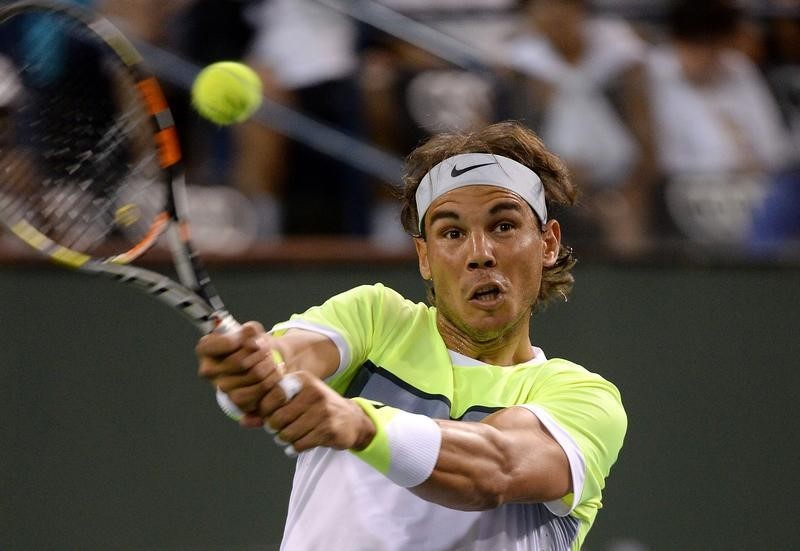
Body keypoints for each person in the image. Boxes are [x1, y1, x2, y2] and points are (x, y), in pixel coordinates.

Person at [196, 121, 627, 550]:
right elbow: (282, 361)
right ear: (425, 256)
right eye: (453, 233)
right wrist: (249, 375)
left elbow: (498, 467)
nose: (480, 254)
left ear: (548, 243)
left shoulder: (584, 397)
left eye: (503, 226)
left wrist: (363, 426)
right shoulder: (374, 318)